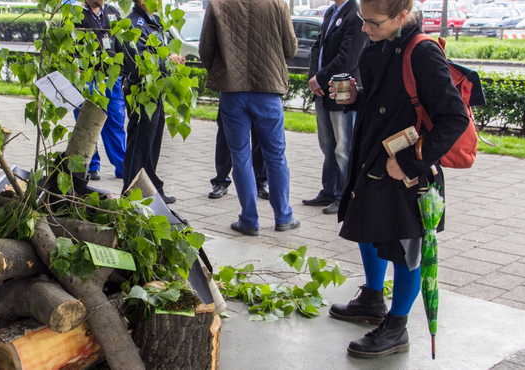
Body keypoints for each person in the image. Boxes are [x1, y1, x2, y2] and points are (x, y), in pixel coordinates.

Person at [328, 0, 469, 358]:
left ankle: (397, 327)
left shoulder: (422, 52)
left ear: (401, 17)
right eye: (362, 20)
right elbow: (387, 99)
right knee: (365, 227)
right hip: (373, 162)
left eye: (372, 23)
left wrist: (410, 161)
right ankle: (373, 298)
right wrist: (356, 98)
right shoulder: (383, 41)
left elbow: (455, 119)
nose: (365, 29)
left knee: (406, 248)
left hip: (407, 174)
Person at [199, 0, 299, 236]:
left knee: (240, 156)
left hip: (232, 91)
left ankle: (249, 219)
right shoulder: (277, 4)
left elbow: (206, 49)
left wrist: (222, 72)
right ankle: (283, 215)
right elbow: (291, 49)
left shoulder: (217, 5)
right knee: (275, 156)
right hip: (268, 88)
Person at [303, 0, 367, 214]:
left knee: (343, 148)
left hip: (342, 91)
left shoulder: (355, 13)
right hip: (322, 90)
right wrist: (314, 77)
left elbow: (348, 58)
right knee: (327, 144)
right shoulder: (332, 12)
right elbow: (316, 46)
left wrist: (320, 79)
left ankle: (345, 195)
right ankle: (329, 190)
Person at [118, 0, 185, 204]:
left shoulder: (153, 22)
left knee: (152, 141)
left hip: (155, 91)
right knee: (139, 143)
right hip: (141, 93)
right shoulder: (133, 25)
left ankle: (151, 187)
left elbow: (159, 53)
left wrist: (172, 60)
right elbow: (140, 62)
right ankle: (129, 192)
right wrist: (168, 61)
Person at [72, 0, 126, 181]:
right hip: (88, 78)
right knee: (88, 122)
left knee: (116, 122)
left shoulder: (112, 12)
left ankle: (122, 165)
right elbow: (71, 49)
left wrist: (122, 71)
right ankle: (91, 166)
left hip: (112, 78)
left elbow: (120, 43)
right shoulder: (76, 13)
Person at [209, 109, 270, 200]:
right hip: (231, 96)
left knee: (260, 133)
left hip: (261, 96)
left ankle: (260, 182)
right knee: (226, 134)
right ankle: (221, 180)